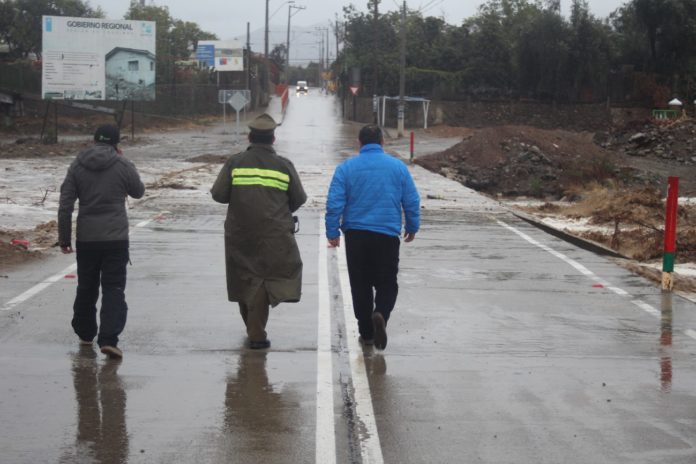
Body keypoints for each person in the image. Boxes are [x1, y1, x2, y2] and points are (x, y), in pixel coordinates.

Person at [211, 113, 307, 350]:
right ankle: (255, 330)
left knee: (245, 277)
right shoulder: (284, 166)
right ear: (273, 139)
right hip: (275, 234)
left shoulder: (235, 163)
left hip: (240, 233)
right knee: (265, 278)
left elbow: (219, 195)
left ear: (250, 137)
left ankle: (254, 330)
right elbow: (299, 198)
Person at [326, 124, 420, 350]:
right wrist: (412, 226)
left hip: (356, 237)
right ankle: (381, 314)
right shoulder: (398, 168)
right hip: (386, 235)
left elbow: (334, 203)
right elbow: (411, 200)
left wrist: (332, 231)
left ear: (359, 143)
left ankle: (367, 333)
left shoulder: (346, 168)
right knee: (387, 283)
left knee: (361, 285)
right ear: (382, 142)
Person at [58, 124, 145, 359]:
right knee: (113, 287)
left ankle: (86, 333)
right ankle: (109, 339)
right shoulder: (122, 164)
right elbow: (138, 191)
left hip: (87, 238)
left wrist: (64, 238)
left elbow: (65, 204)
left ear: (94, 139)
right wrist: (128, 164)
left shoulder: (77, 164)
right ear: (117, 143)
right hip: (115, 238)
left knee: (86, 286)